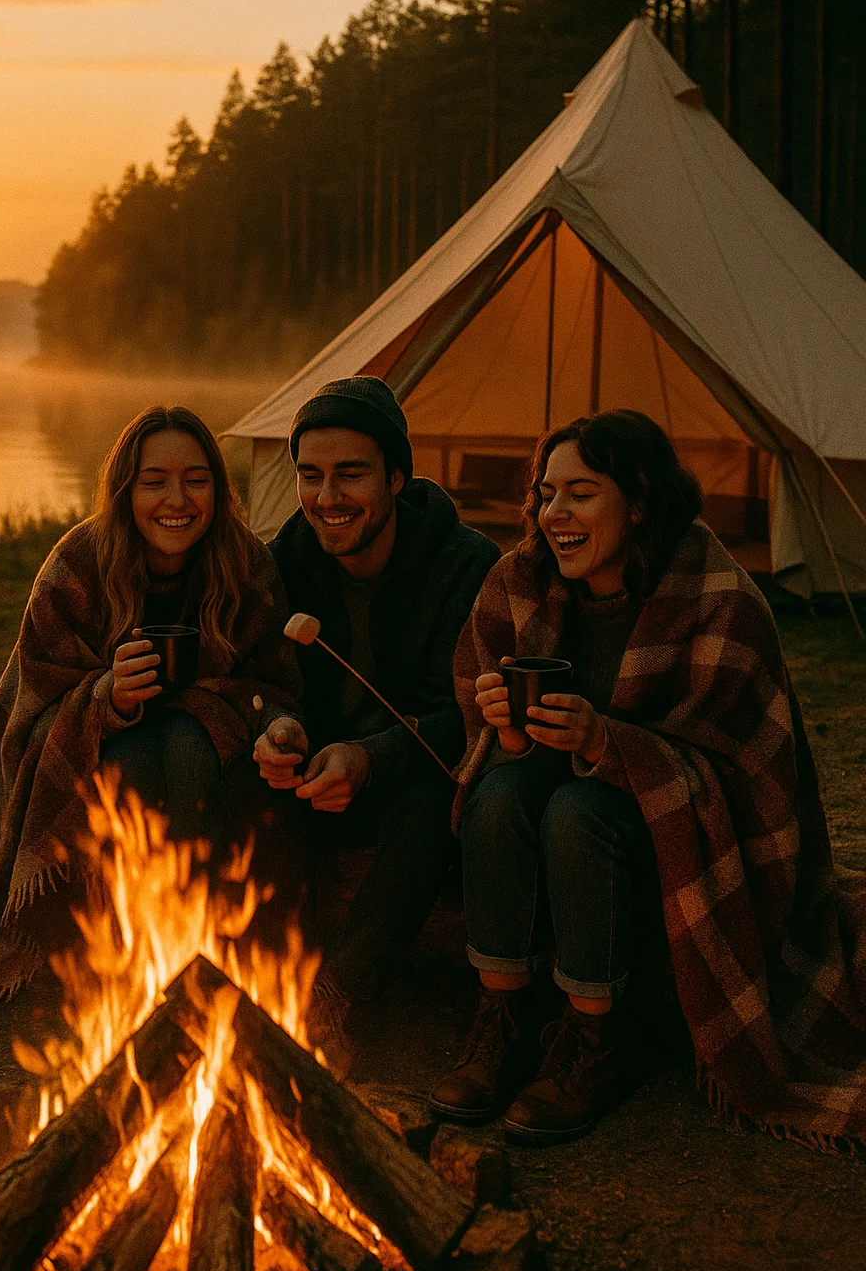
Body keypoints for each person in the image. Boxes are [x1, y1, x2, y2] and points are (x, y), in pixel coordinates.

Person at [429, 409, 866, 1150]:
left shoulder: (720, 600)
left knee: (578, 809)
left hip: (680, 838)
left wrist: (609, 743)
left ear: (639, 503)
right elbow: (488, 737)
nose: (552, 513)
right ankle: (503, 1018)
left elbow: (741, 781)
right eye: (545, 493)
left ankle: (594, 1041)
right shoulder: (521, 581)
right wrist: (502, 726)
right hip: (563, 811)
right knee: (497, 798)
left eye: (581, 493)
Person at [0, 406, 301, 1002]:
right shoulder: (79, 562)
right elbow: (35, 701)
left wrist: (274, 724)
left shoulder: (246, 564)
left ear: (219, 489)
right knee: (138, 757)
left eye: (196, 479)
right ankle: (123, 949)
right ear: (126, 491)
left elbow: (274, 683)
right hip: (102, 747)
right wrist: (106, 697)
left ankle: (196, 940)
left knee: (187, 746)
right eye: (154, 482)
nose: (178, 499)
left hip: (209, 746)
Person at [253, 376, 500, 1032]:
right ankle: (264, 976)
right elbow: (267, 682)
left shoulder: (465, 565)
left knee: (425, 806)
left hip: (412, 779)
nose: (327, 498)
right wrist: (279, 729)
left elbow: (466, 721)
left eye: (350, 475)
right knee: (243, 784)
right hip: (317, 777)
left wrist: (369, 759)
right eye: (310, 476)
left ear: (396, 477)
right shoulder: (287, 561)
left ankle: (335, 997)